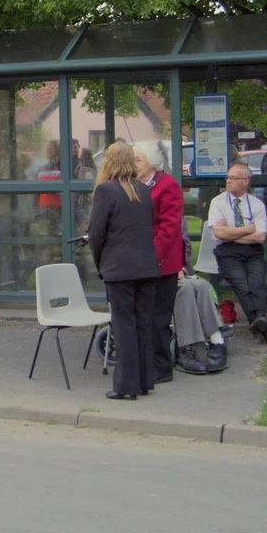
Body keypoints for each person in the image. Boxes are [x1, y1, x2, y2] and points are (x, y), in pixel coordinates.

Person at [86, 141, 163, 400]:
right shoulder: (144, 190)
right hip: (146, 267)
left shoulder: (105, 191)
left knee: (123, 327)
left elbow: (95, 234)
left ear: (107, 161)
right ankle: (144, 381)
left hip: (119, 269)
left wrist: (101, 263)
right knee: (142, 323)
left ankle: (126, 386)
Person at [133, 140, 187, 382]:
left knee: (158, 318)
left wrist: (151, 257)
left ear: (151, 162)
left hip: (162, 262)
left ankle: (162, 368)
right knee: (143, 316)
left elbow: (169, 228)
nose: (134, 164)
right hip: (139, 262)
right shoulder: (135, 185)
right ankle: (146, 363)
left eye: (138, 160)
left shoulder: (167, 185)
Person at [206, 163, 267, 340]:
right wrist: (247, 229)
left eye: (233, 178)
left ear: (245, 181)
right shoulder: (218, 202)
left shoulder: (256, 204)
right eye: (227, 177)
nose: (228, 181)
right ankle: (262, 323)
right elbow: (218, 233)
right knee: (242, 285)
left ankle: (259, 323)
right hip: (227, 252)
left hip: (253, 251)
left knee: (257, 283)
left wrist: (231, 233)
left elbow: (260, 237)